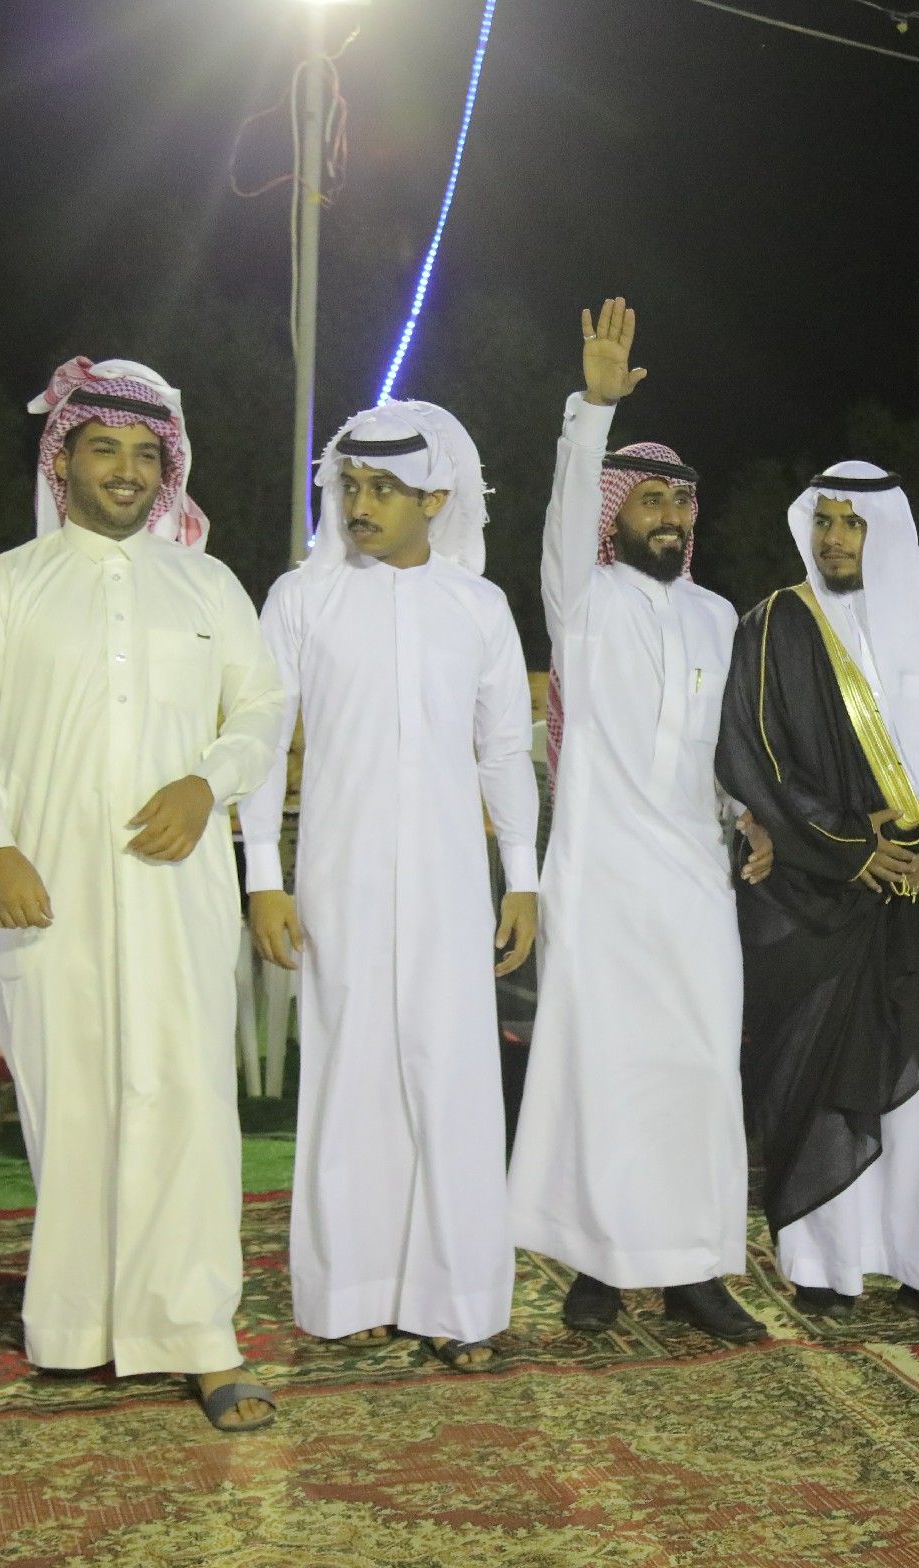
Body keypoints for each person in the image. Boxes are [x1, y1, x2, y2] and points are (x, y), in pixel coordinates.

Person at [0, 357, 286, 1432]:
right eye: (103, 450)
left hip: (178, 890)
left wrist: (207, 782)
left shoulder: (209, 586)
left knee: (187, 1101)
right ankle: (77, 1327)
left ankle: (198, 1335)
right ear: (64, 459)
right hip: (44, 894)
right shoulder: (2, 585)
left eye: (143, 454)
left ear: (166, 467)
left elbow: (260, 712)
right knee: (72, 1106)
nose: (125, 471)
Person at [243, 400, 540, 1372]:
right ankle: (351, 1292)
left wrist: (523, 880)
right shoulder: (302, 598)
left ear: (436, 500)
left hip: (454, 884)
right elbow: (259, 743)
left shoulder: (478, 606)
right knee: (351, 1077)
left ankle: (457, 1302)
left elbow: (505, 752)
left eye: (383, 489)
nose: (360, 504)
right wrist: (263, 878)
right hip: (340, 879)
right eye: (351, 485)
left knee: (453, 1081)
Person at [508, 299, 770, 1343]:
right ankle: (599, 1266)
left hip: (697, 881)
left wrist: (752, 816)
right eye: (648, 497)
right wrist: (593, 410)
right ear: (617, 511)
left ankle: (698, 1268)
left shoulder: (718, 616)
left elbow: (730, 748)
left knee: (700, 1070)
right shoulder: (584, 601)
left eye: (679, 501)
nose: (666, 514)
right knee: (603, 1068)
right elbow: (565, 511)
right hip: (601, 878)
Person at [714, 462, 919, 1339]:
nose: (834, 538)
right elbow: (754, 756)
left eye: (853, 522)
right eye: (824, 520)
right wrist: (850, 848)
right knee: (821, 1073)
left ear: (889, 530)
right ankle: (825, 1266)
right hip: (822, 895)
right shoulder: (775, 623)